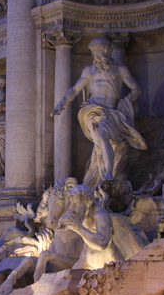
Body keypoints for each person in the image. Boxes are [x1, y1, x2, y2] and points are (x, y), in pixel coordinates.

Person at [52, 36, 147, 188]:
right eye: (93, 52)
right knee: (101, 137)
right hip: (90, 109)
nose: (96, 55)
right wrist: (61, 103)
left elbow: (136, 88)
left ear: (106, 51)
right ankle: (107, 174)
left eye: (99, 51)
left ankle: (101, 176)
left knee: (100, 142)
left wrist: (126, 101)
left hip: (109, 113)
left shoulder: (120, 70)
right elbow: (75, 90)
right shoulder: (89, 71)